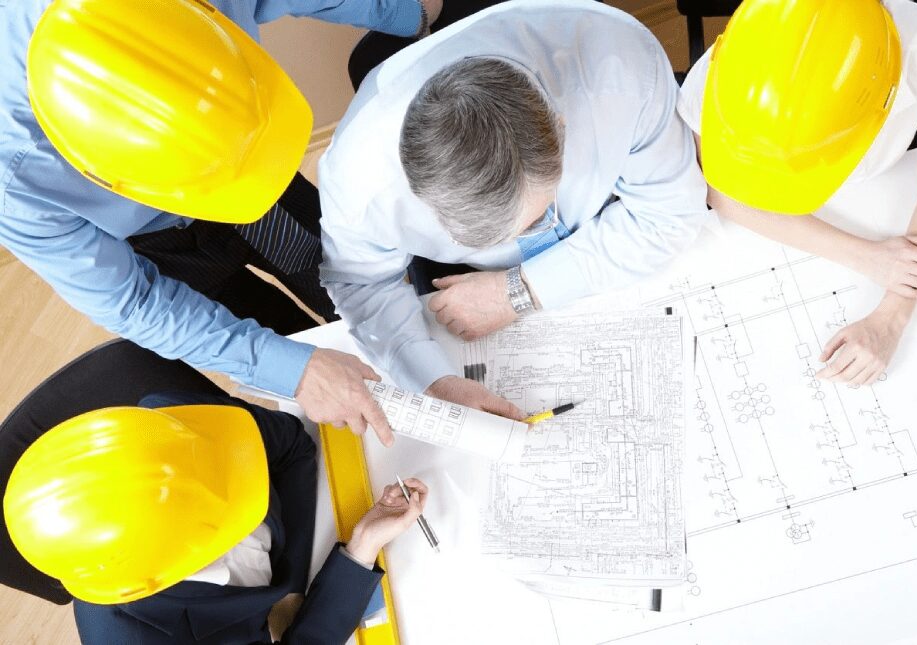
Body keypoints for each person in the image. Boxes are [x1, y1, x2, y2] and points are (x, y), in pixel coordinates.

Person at [0, 0, 443, 443]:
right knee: (287, 339)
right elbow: (134, 303)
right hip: (155, 248)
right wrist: (296, 371)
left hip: (253, 171)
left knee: (345, 284)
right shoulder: (14, 179)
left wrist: (400, 10)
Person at [317, 0, 710, 414]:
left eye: (536, 217)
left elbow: (669, 213)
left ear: (559, 127)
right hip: (473, 282)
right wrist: (437, 384)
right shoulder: (358, 180)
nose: (533, 232)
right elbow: (361, 285)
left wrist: (519, 291)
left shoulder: (622, 66)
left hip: (607, 222)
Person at [677, 0, 917, 386]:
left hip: (879, 193)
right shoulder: (722, 78)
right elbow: (719, 187)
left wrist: (891, 316)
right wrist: (867, 257)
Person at [2, 392, 429, 644]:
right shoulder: (142, 636)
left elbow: (292, 445)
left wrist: (291, 586)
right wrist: (360, 550)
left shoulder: (176, 425)